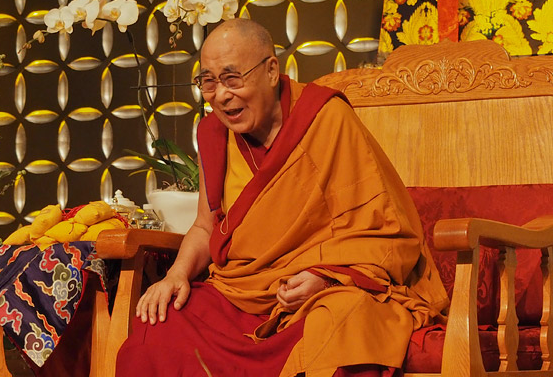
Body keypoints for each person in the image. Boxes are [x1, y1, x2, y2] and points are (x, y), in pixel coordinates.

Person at [116, 19, 449, 377]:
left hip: (317, 293)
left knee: (343, 324)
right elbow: (205, 224)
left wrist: (326, 277)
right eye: (208, 81)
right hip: (240, 290)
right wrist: (176, 275)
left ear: (272, 70)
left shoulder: (324, 118)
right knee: (158, 332)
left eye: (232, 78)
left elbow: (382, 231)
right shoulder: (214, 134)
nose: (220, 95)